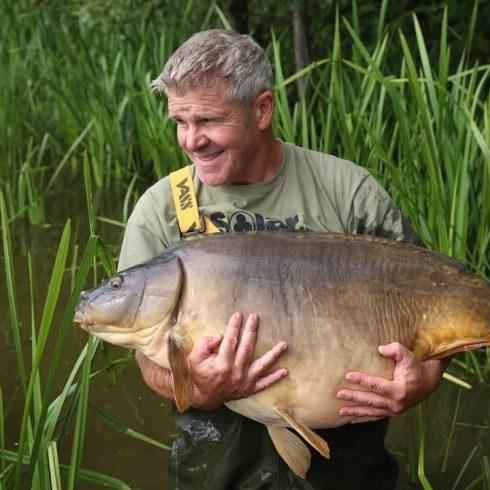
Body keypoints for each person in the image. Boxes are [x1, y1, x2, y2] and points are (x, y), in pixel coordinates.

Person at [118, 29, 448, 489]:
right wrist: (197, 388)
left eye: (209, 120)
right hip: (216, 464)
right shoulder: (161, 211)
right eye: (180, 122)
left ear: (262, 109)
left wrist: (424, 379)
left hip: (350, 462)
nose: (192, 141)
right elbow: (150, 362)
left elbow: (432, 304)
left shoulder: (347, 192)